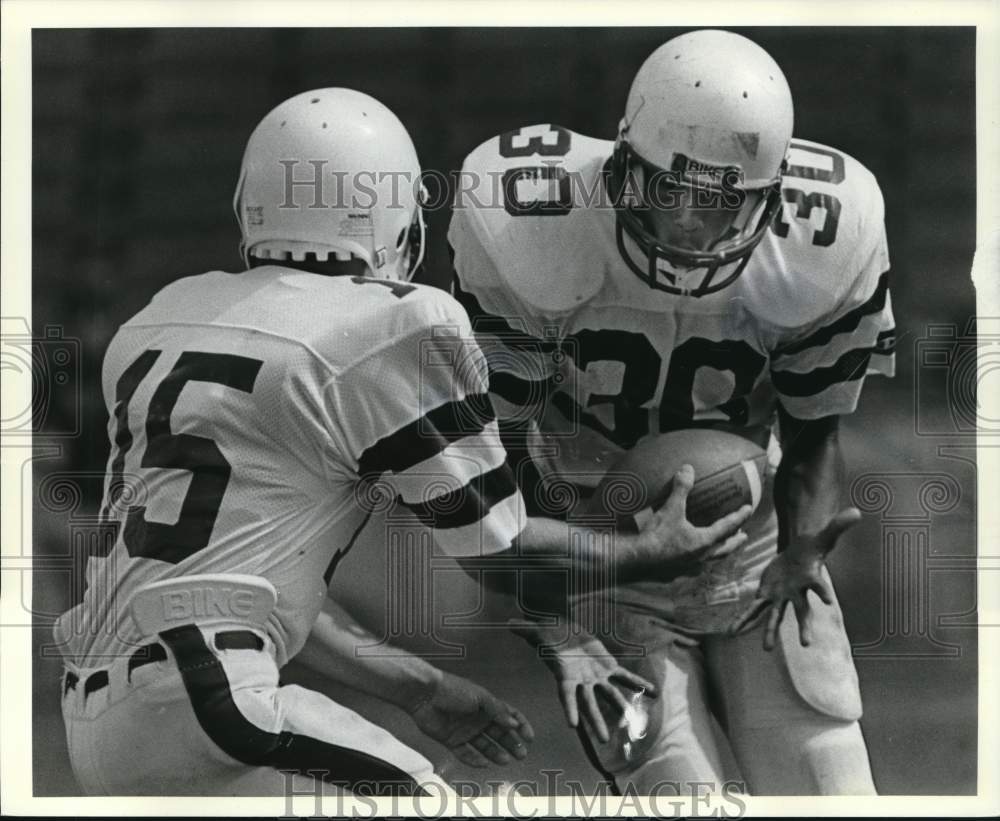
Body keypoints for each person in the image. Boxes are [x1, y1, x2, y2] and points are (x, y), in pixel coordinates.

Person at [53, 87, 748, 797]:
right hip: (209, 692)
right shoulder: (390, 326)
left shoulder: (160, 320)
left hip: (102, 722)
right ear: (389, 215)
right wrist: (646, 554)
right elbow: (502, 549)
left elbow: (231, 591)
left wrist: (422, 688)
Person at [448, 29, 894, 795]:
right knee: (682, 798)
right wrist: (560, 616)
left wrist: (801, 555)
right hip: (605, 551)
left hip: (754, 552)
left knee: (834, 791)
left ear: (769, 198)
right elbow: (494, 468)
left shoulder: (827, 238)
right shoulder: (536, 227)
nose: (688, 224)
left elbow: (816, 428)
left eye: (718, 202)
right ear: (622, 168)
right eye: (668, 192)